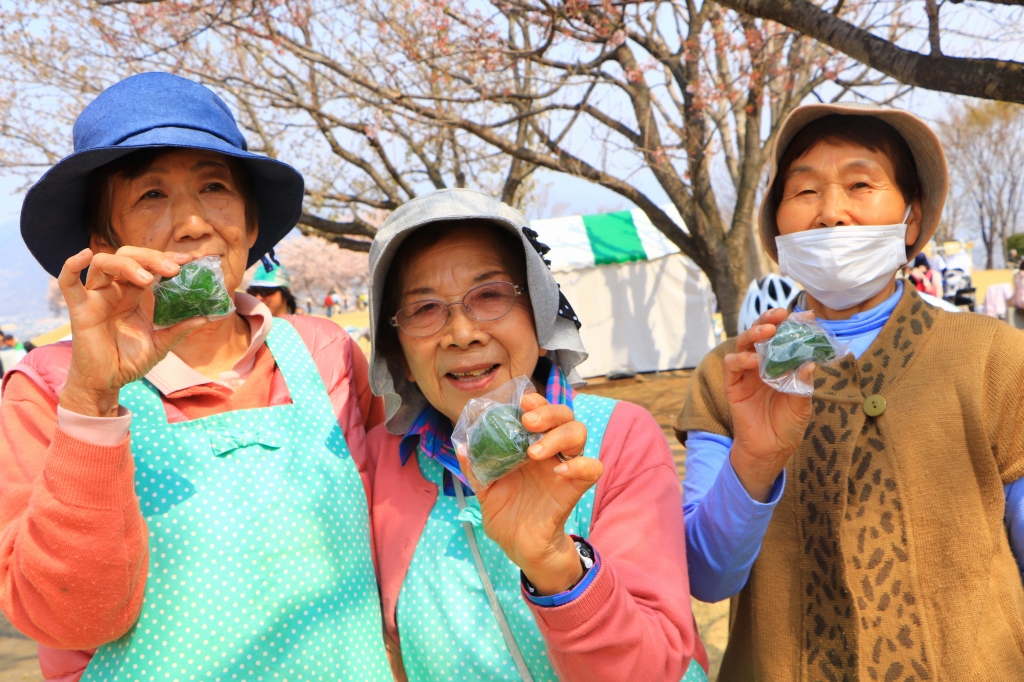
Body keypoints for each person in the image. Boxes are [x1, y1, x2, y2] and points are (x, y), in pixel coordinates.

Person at [0, 73, 391, 681]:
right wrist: (93, 403)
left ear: (250, 224)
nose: (191, 223)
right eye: (150, 196)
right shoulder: (49, 389)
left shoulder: (326, 352)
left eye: (214, 187)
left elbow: (394, 543)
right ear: (105, 241)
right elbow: (67, 620)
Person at [676, 104, 1024, 680]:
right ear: (778, 225)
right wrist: (754, 461)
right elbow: (706, 576)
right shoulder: (731, 373)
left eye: (861, 184)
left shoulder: (992, 356)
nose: (831, 214)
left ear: (911, 220)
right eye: (804, 191)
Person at [365, 189, 708, 682]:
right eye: (424, 309)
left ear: (539, 314)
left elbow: (655, 670)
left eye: (490, 295)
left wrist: (555, 566)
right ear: (399, 357)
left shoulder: (618, 437)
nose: (462, 333)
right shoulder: (381, 464)